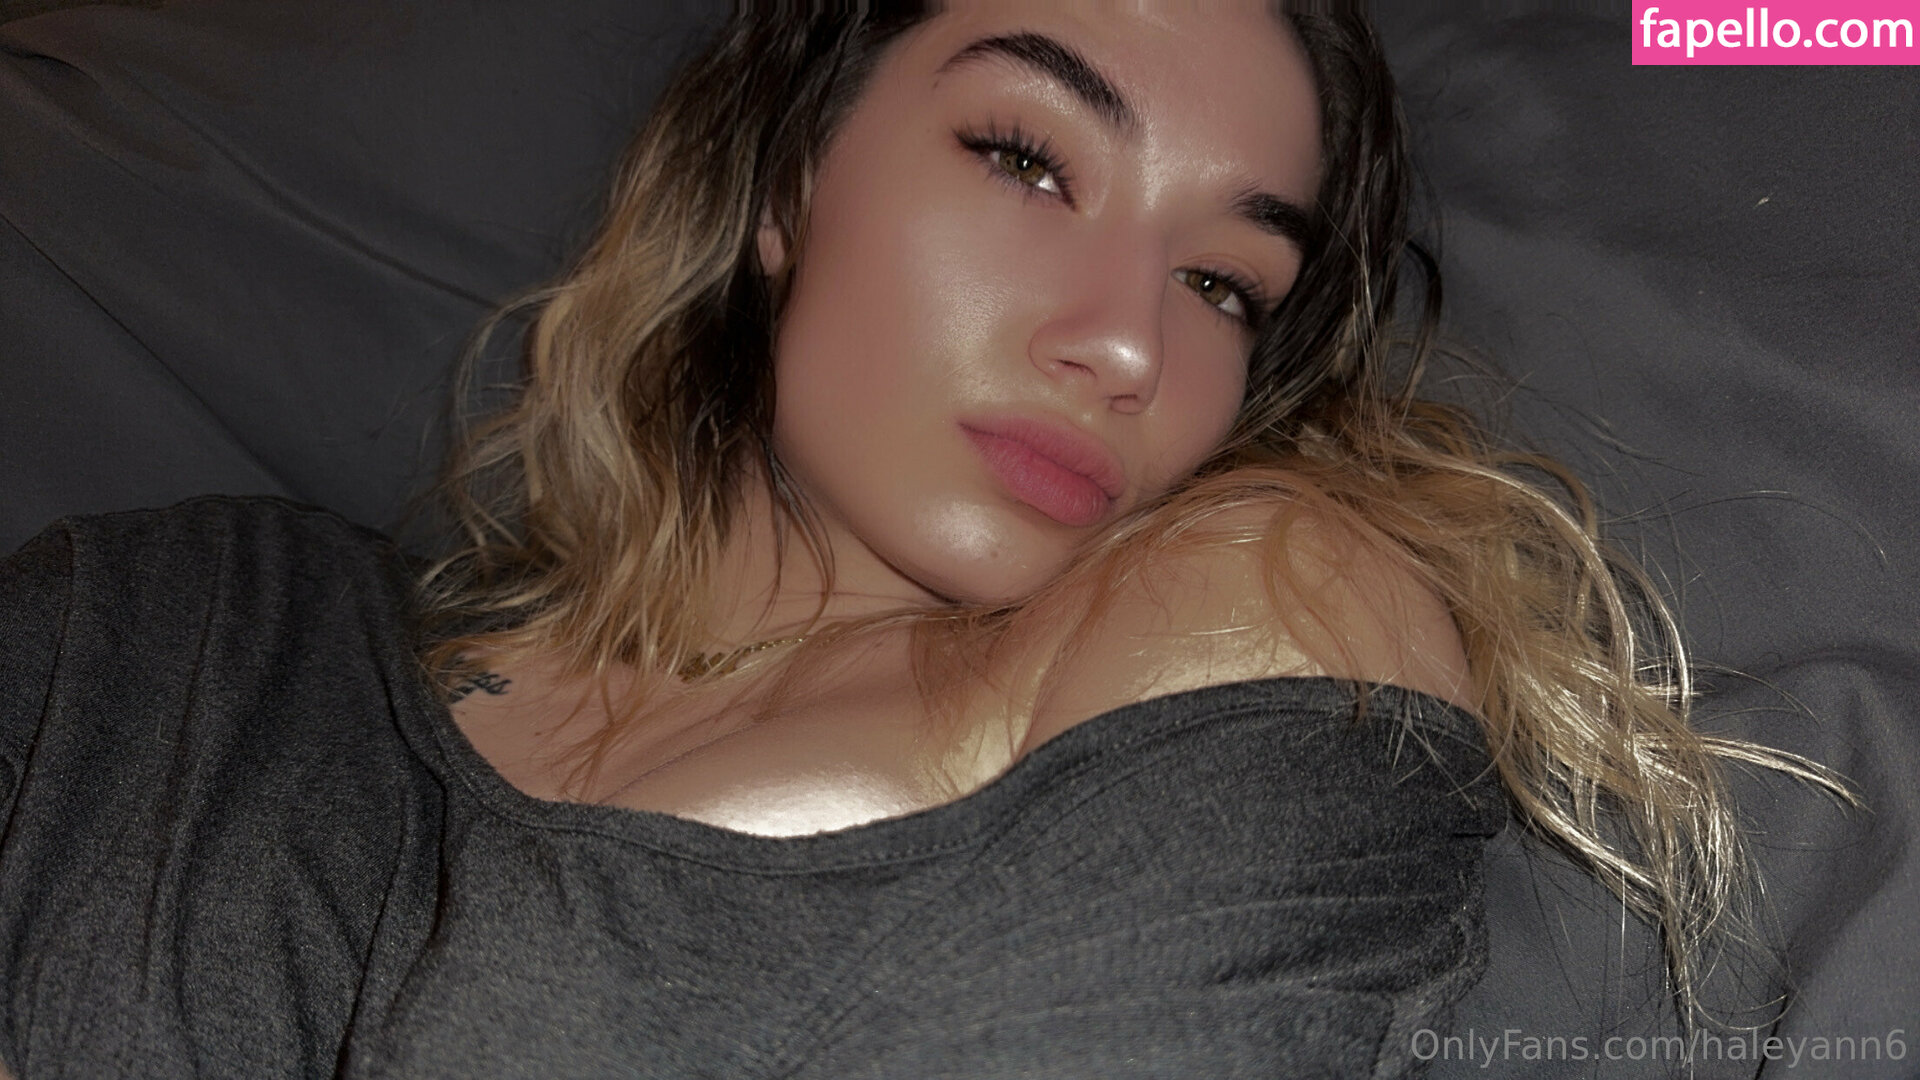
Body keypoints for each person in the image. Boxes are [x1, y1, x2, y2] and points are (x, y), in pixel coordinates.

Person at [0, 3, 1841, 1076]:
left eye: (1223, 281)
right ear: (783, 181)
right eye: (1027, 158)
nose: (1127, 344)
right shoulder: (174, 622)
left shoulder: (1262, 597)